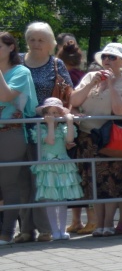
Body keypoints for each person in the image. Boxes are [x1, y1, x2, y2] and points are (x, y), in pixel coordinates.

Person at [69, 43, 122, 237]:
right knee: (93, 182)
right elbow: (74, 101)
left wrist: (110, 85)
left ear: (121, 61)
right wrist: (93, 83)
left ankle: (108, 224)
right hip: (88, 137)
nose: (107, 60)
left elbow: (120, 111)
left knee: (112, 182)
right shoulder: (90, 77)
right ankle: (99, 224)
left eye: (112, 57)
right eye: (105, 56)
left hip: (113, 139)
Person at [22, 21, 74, 238]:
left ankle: (46, 229)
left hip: (49, 130)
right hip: (22, 126)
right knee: (22, 178)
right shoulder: (17, 62)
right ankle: (25, 229)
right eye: (32, 39)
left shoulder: (56, 64)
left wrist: (67, 118)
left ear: (51, 43)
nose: (36, 43)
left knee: (43, 180)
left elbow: (70, 94)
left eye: (41, 39)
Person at [0, 32, 38, 243]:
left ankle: (6, 233)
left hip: (12, 133)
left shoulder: (21, 72)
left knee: (9, 184)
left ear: (11, 47)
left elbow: (5, 96)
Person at [30, 97, 82, 240]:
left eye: (56, 112)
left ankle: (62, 229)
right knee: (50, 199)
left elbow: (70, 139)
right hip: (48, 166)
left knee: (62, 199)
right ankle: (54, 230)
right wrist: (51, 126)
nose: (53, 115)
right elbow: (50, 140)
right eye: (50, 112)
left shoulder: (63, 127)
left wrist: (70, 121)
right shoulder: (39, 128)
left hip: (63, 164)